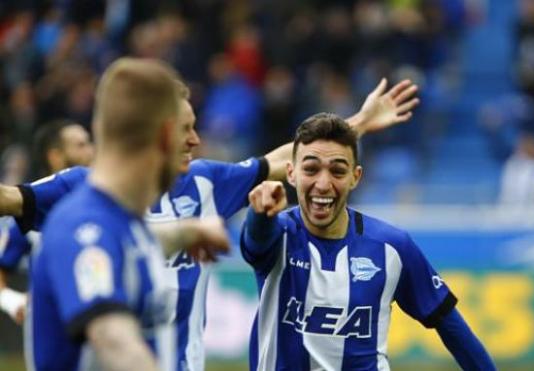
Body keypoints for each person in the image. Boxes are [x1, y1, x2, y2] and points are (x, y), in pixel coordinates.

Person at [0, 76, 420, 370]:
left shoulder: (204, 183)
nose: (196, 140)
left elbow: (288, 160)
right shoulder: (80, 206)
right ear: (157, 134)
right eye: (186, 129)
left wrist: (359, 124)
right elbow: (110, 329)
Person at [241, 113, 496, 370]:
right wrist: (260, 212)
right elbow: (257, 240)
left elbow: (452, 329)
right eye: (311, 169)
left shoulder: (392, 247)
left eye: (338, 171)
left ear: (355, 177)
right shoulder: (280, 233)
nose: (323, 183)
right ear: (291, 174)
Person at [28, 57, 231, 371]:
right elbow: (112, 339)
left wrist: (188, 232)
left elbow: (130, 245)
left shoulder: (121, 224)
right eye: (186, 130)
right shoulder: (82, 225)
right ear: (165, 136)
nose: (195, 141)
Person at [0, 120, 94, 325]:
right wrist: (11, 301)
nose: (91, 151)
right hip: (52, 330)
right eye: (81, 145)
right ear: (55, 156)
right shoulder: (27, 213)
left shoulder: (109, 197)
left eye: (90, 143)